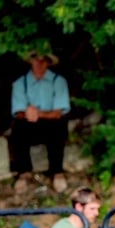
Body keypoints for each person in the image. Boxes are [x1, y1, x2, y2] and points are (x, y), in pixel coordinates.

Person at [10, 47, 71, 194]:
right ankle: (24, 173)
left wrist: (38, 113)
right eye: (36, 59)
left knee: (59, 126)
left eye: (43, 60)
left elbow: (58, 112)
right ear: (31, 60)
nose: (39, 63)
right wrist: (28, 114)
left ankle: (57, 172)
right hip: (29, 123)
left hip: (50, 123)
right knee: (18, 128)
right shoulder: (20, 83)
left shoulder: (58, 81)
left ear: (48, 63)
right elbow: (18, 111)